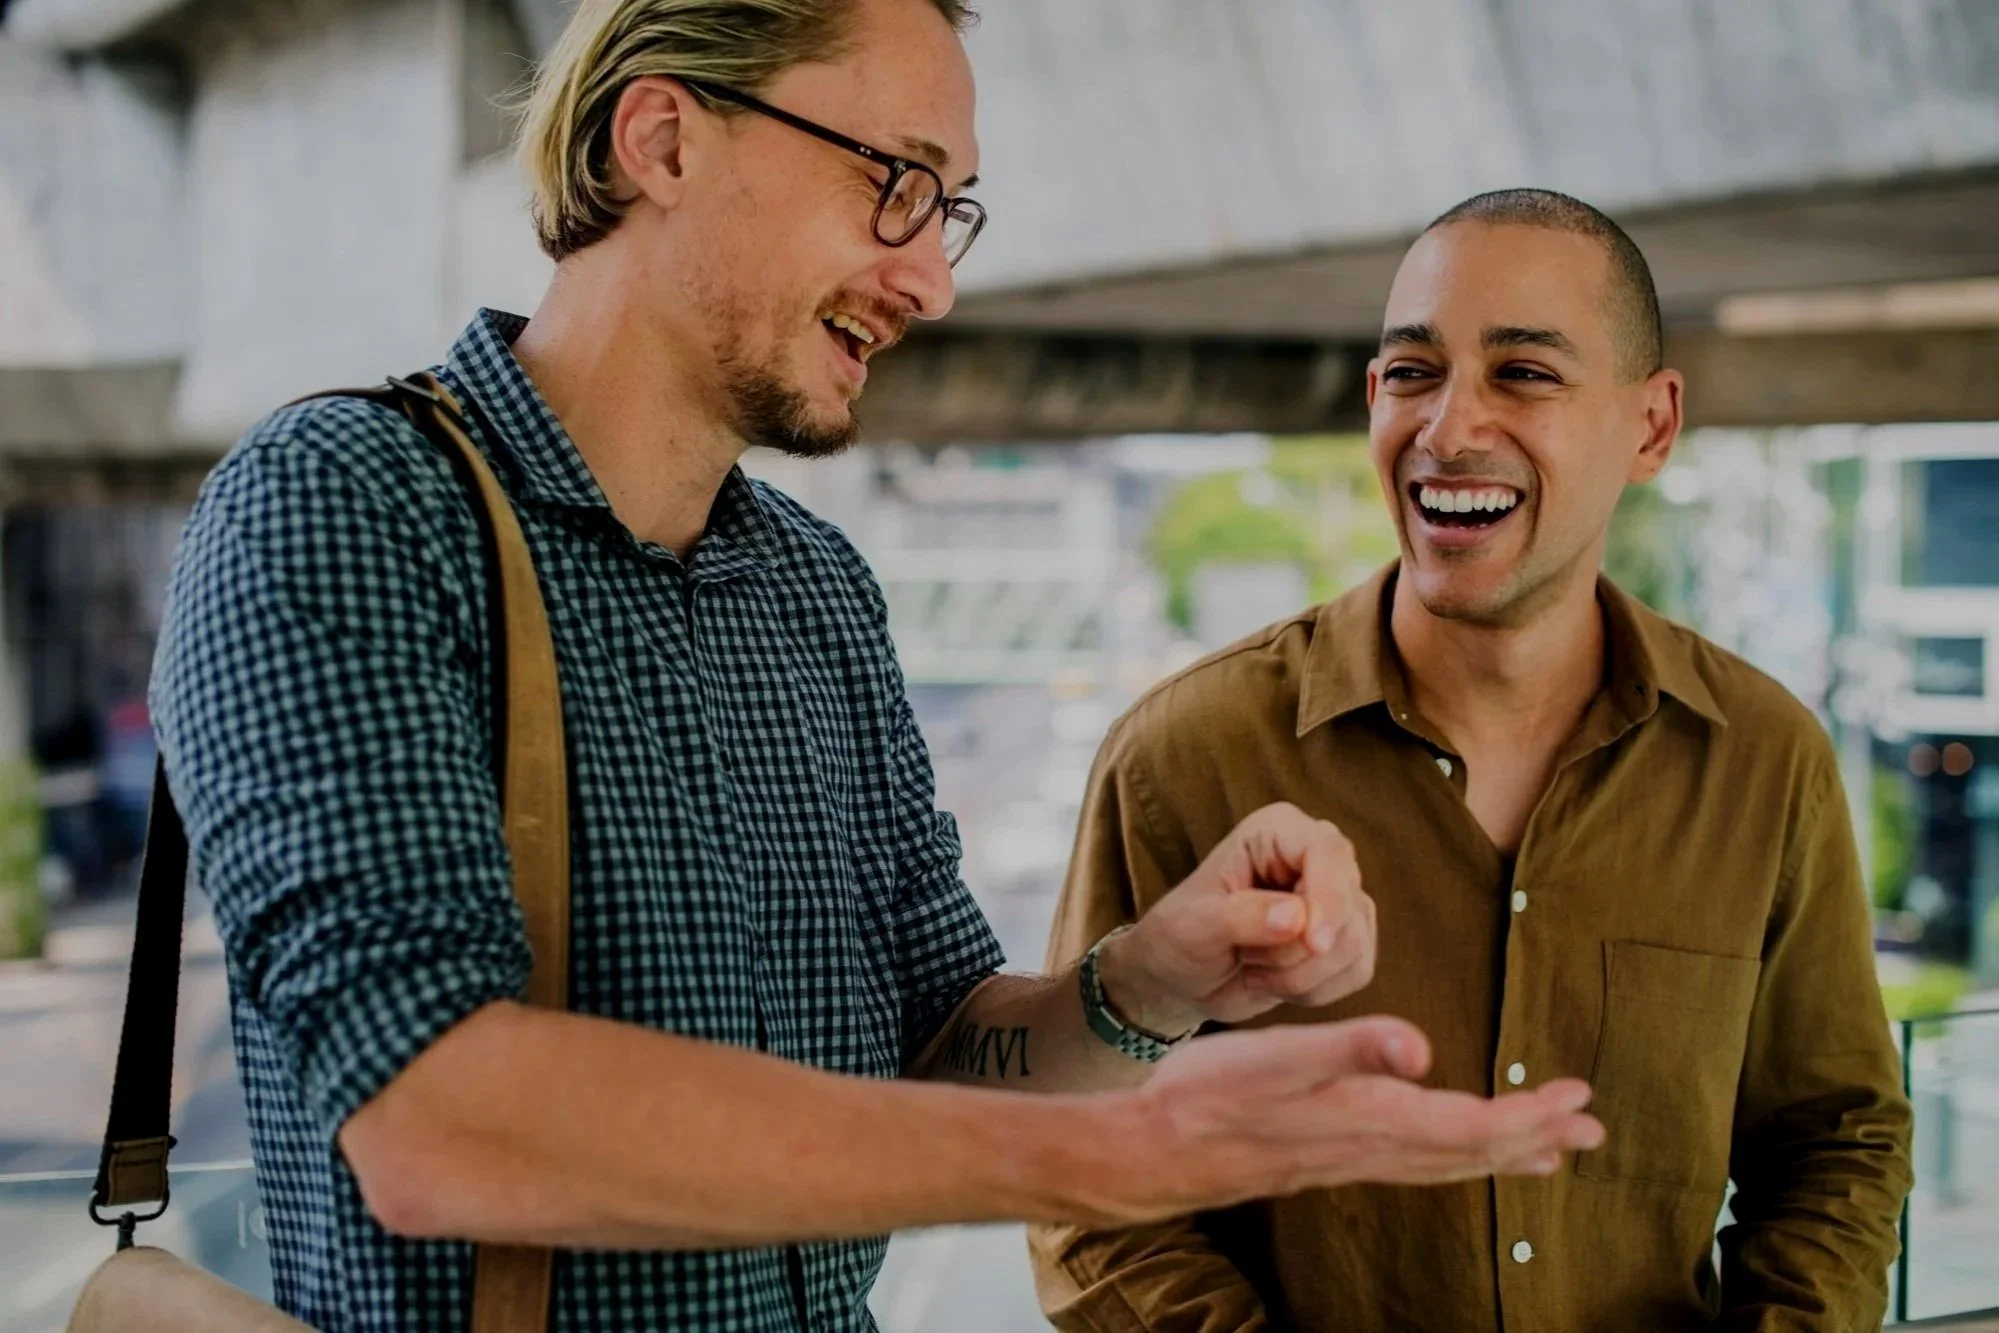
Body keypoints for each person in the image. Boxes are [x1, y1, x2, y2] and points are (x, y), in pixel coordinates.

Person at [147, 4, 1605, 1328]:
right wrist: (1110, 1151)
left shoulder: (811, 587)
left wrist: (1149, 981)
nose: (930, 280)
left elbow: (939, 1038)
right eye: (891, 181)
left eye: (945, 210)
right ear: (660, 137)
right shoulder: (343, 503)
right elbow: (432, 1119)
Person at [1030, 189, 1913, 1332]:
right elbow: (1084, 1177)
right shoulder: (1183, 755)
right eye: (1412, 372)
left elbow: (1835, 1141)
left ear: (1650, 426)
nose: (1448, 428)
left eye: (1524, 374)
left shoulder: (1765, 759)